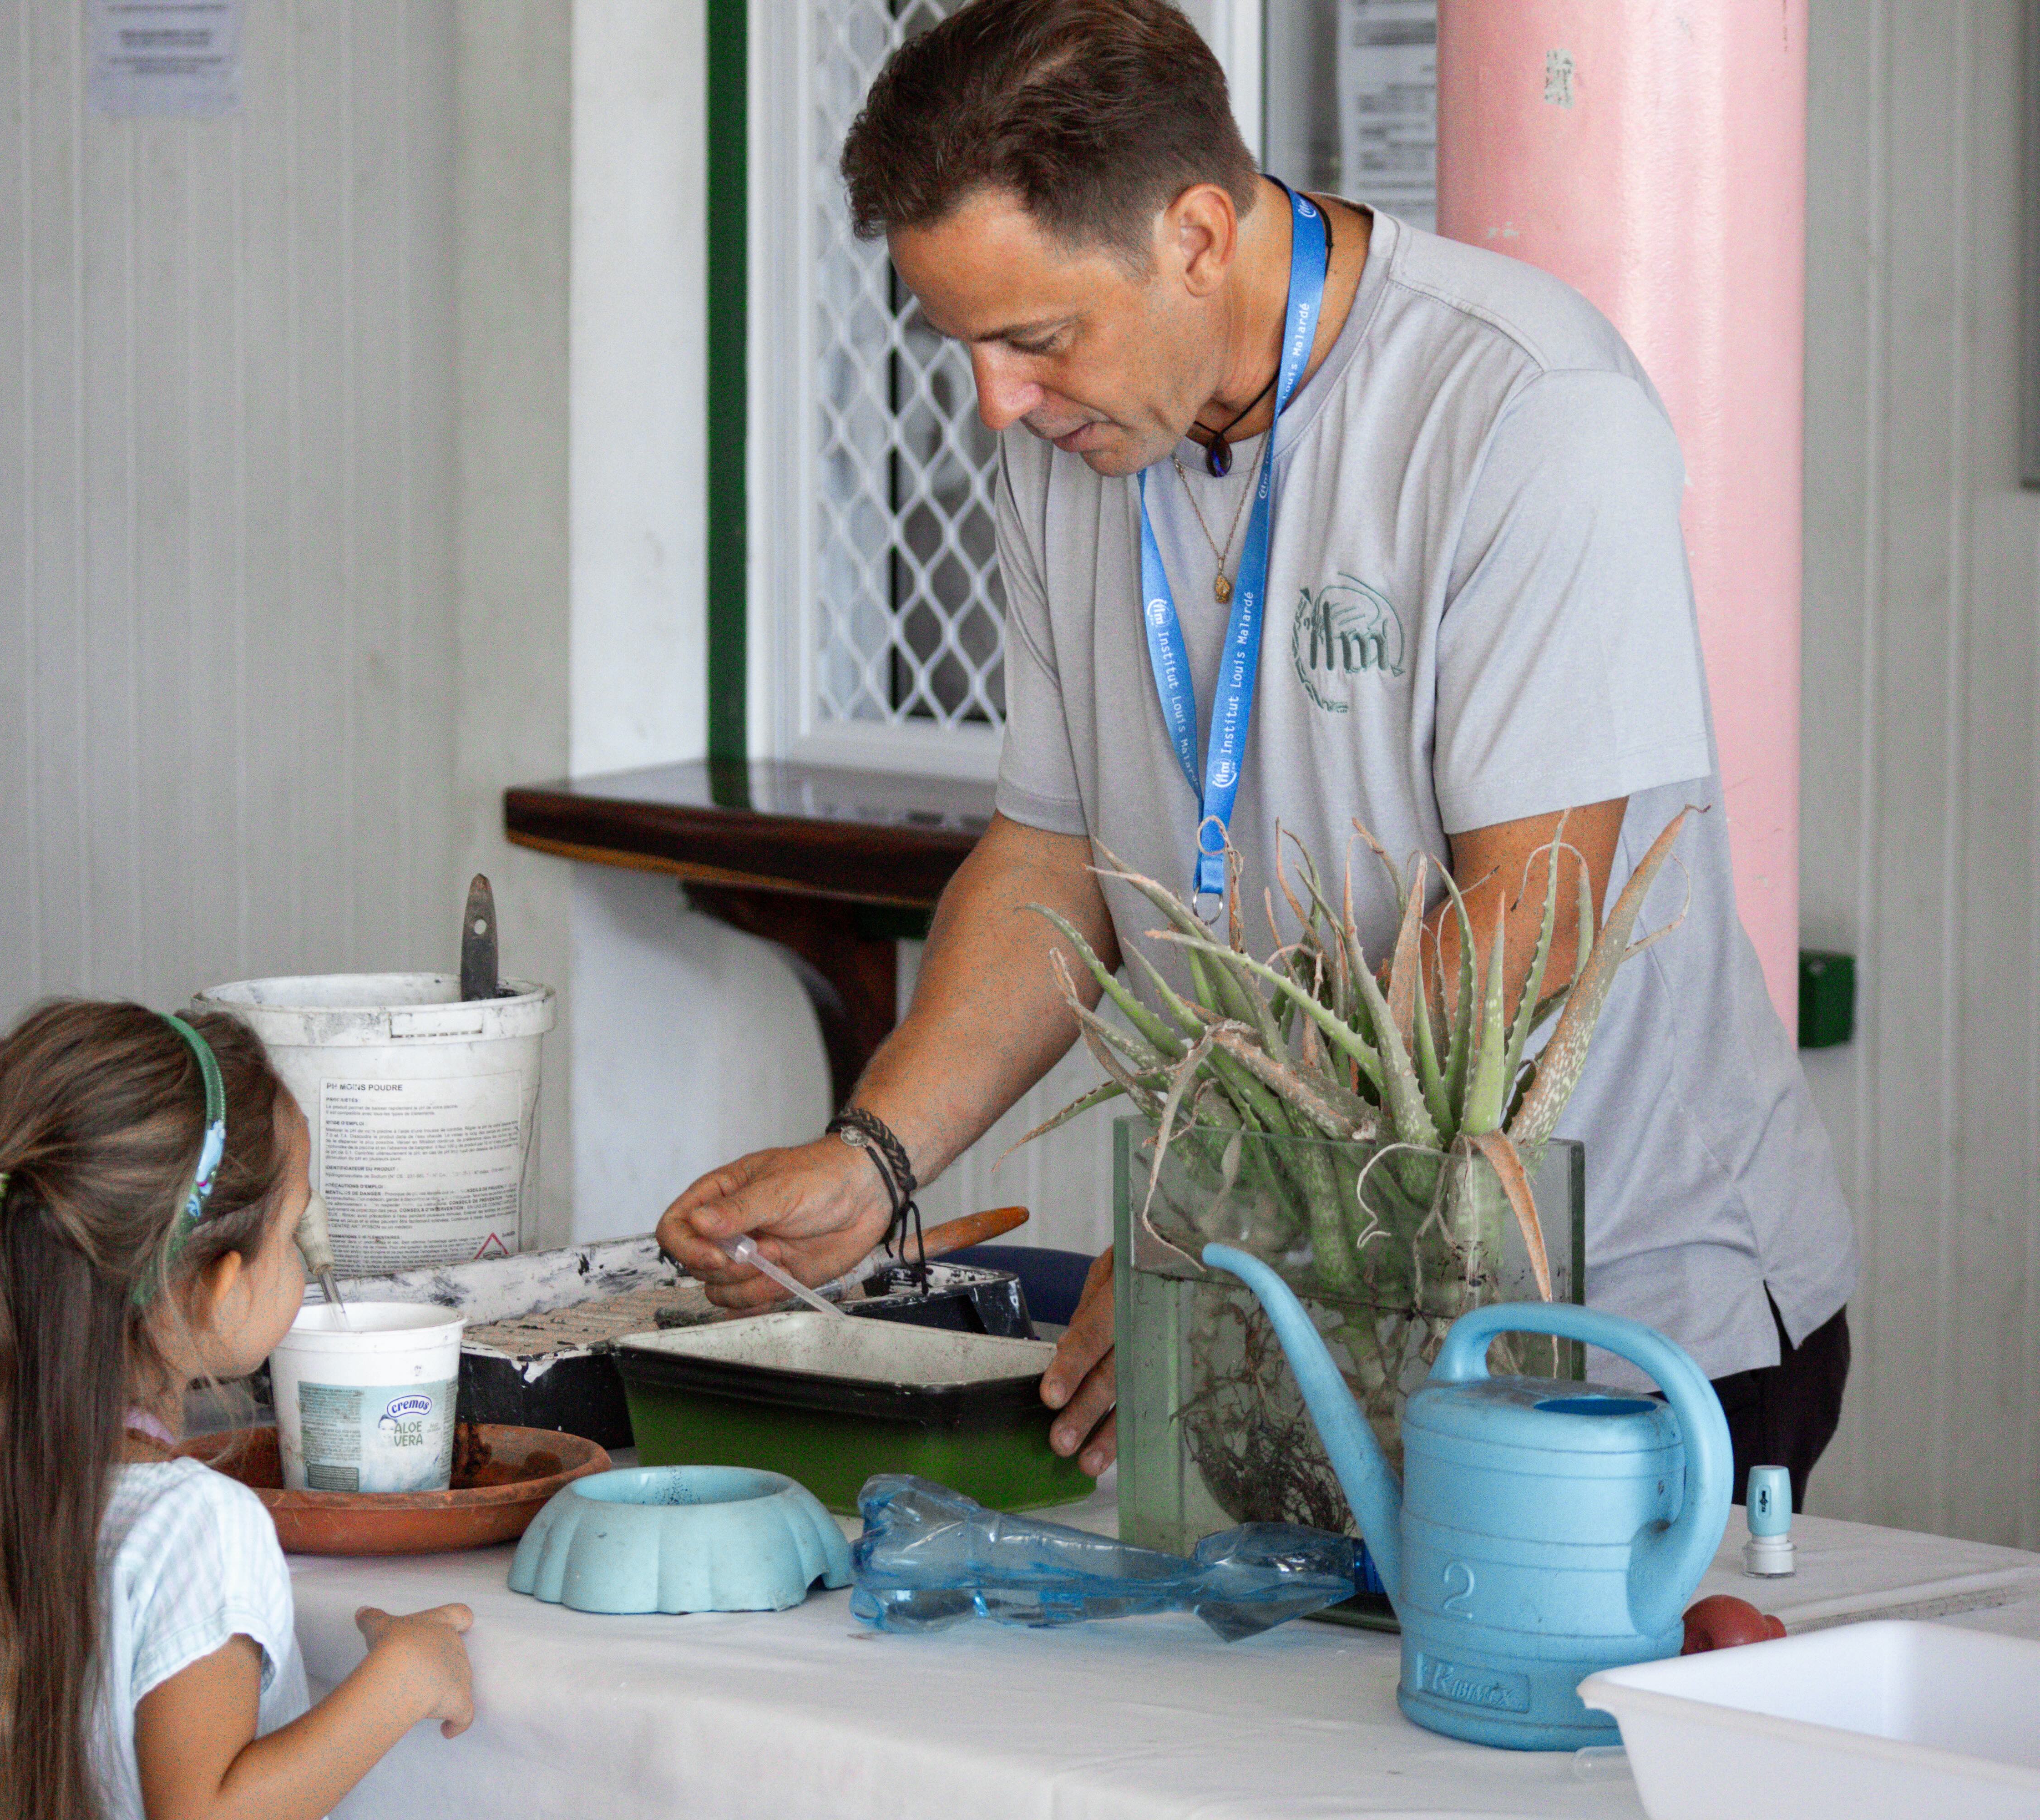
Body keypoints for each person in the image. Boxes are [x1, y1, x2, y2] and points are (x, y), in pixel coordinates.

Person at [659, 0, 1856, 1502]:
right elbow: (1050, 859)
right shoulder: (1069, 443)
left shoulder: (1520, 406)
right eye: (961, 345)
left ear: (1197, 236)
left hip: (1611, 1324)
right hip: (1297, 1296)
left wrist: (1222, 1229)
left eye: (1035, 340)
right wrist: (872, 1161)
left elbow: (1529, 918)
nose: (994, 404)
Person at [0, 1001, 475, 1820]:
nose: (304, 1261)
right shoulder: (196, 1525)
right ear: (218, 1287)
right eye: (293, 1231)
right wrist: (405, 1677)